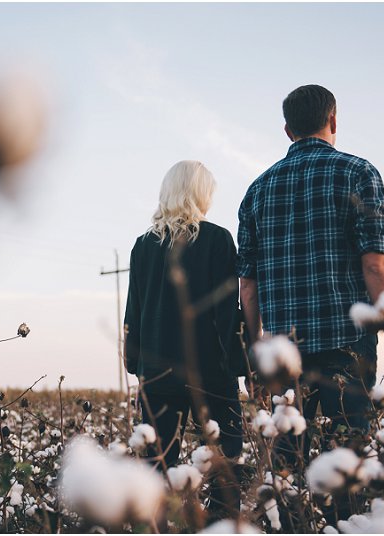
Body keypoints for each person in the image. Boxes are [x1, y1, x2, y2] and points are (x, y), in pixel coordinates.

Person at [237, 84, 384, 446]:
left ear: (288, 131)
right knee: (348, 460)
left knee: (286, 468)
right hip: (347, 347)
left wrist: (255, 360)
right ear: (333, 120)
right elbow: (377, 266)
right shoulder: (359, 173)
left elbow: (248, 288)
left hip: (284, 354)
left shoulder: (256, 191)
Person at [124, 160, 246, 516]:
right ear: (201, 194)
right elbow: (228, 314)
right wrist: (241, 367)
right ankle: (220, 526)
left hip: (157, 376)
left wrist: (135, 362)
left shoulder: (143, 246)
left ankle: (157, 526)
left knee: (155, 468)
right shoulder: (218, 239)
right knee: (226, 463)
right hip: (212, 375)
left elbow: (135, 310)